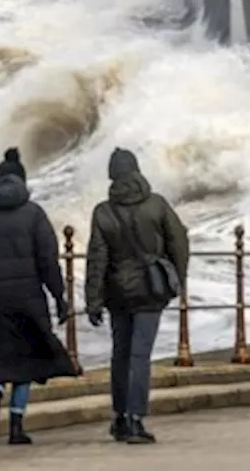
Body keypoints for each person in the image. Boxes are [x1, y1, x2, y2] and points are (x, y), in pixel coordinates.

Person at [0, 147, 77, 445]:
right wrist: (59, 296)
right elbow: (47, 260)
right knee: (26, 358)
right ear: (23, 182)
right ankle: (16, 426)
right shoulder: (34, 213)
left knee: (2, 351)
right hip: (28, 295)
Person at [84, 147, 189, 445]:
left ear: (112, 175)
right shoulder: (156, 205)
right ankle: (135, 419)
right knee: (140, 356)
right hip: (150, 288)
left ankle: (119, 417)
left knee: (121, 355)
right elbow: (178, 242)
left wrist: (93, 300)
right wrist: (178, 280)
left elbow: (97, 261)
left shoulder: (103, 211)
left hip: (117, 292)